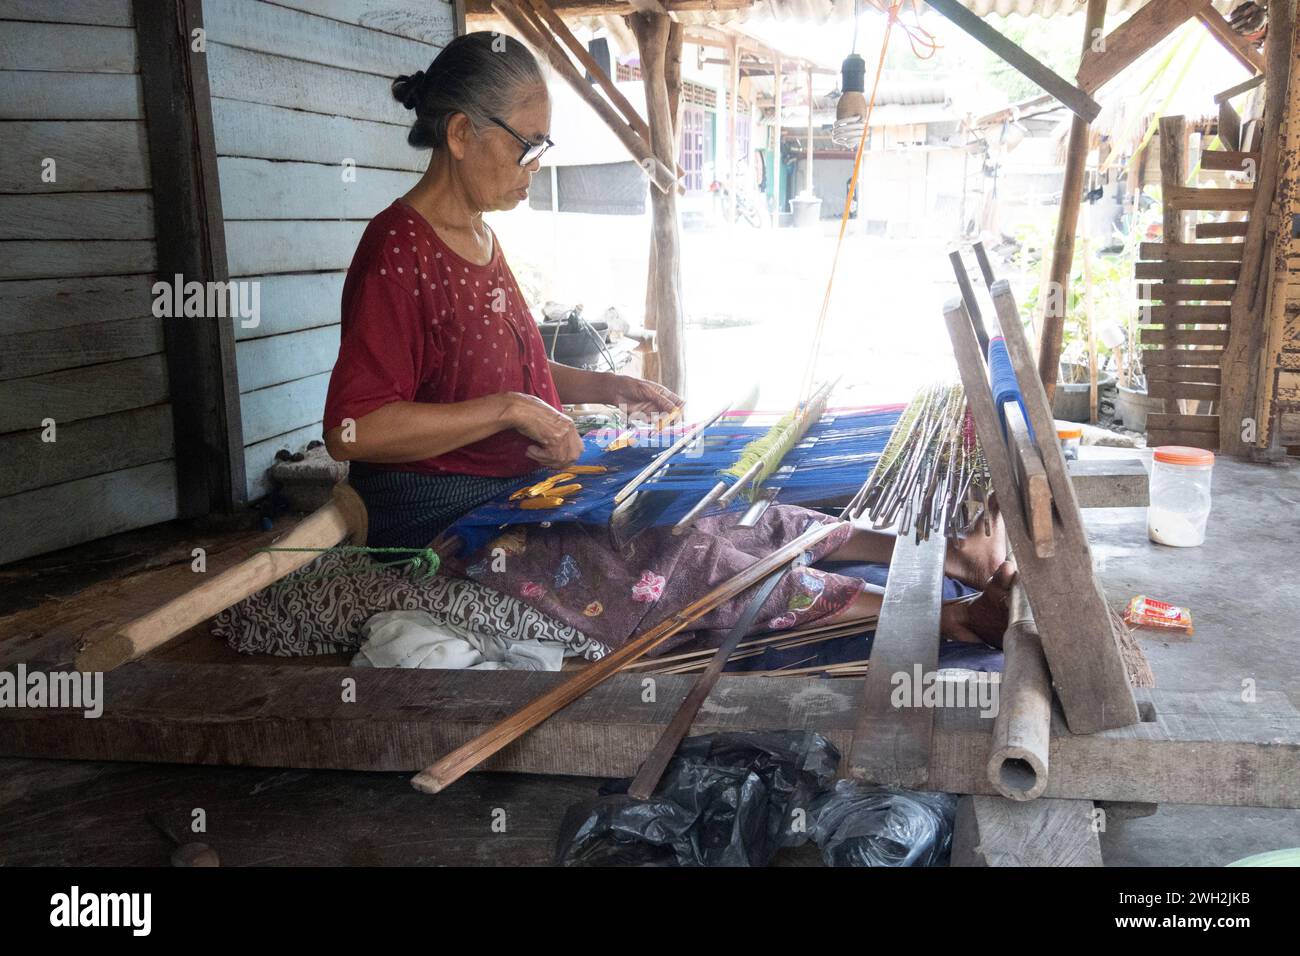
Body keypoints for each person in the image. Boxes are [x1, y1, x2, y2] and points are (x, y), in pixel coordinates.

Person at [323, 33, 1013, 653]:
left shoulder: (478, 235)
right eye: (526, 144)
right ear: (464, 133)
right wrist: (511, 411)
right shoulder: (397, 250)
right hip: (449, 513)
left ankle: (952, 559)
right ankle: (944, 619)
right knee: (669, 552)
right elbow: (355, 430)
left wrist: (601, 387)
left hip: (525, 481)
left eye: (543, 147)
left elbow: (502, 369)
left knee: (722, 504)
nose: (535, 163)